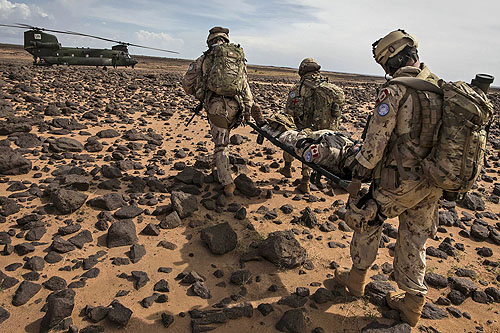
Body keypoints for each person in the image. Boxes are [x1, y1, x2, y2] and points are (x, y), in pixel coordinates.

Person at [333, 29, 444, 327]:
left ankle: (355, 280)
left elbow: (376, 142)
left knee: (366, 218)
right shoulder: (440, 87)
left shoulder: (395, 90)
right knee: (415, 238)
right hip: (432, 182)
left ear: (390, 61)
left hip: (398, 181)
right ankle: (412, 304)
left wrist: (359, 172)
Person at [182, 27, 254, 196]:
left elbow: (187, 83)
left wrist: (201, 94)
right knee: (224, 138)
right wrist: (249, 107)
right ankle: (219, 171)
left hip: (216, 107)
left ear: (210, 40)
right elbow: (245, 85)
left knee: (221, 145)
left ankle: (227, 184)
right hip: (236, 106)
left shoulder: (204, 58)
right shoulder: (238, 59)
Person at [279, 58, 345, 194]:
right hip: (324, 129)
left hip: (303, 127)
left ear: (302, 70)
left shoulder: (298, 89)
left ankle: (287, 167)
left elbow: (288, 111)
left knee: (290, 138)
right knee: (313, 150)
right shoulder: (328, 88)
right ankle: (307, 180)